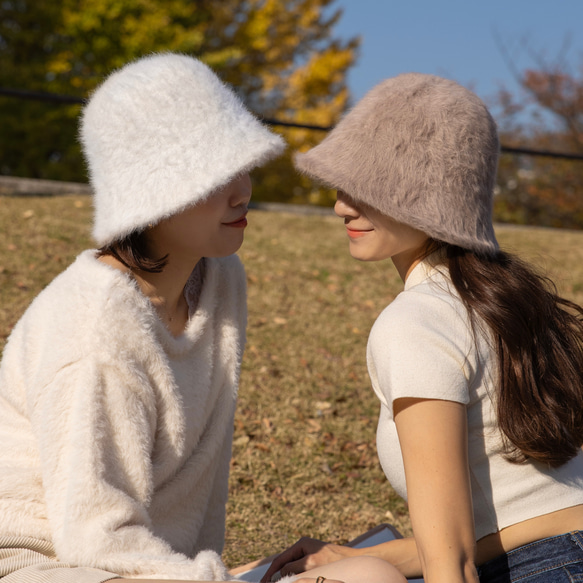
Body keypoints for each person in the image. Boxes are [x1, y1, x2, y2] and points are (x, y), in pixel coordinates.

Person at [262, 73, 583, 583]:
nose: (342, 206)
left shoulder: (416, 321)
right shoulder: (513, 302)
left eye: (372, 188)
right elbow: (520, 521)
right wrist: (360, 556)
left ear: (435, 198)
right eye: (345, 184)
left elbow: (451, 563)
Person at [0, 53, 287, 582]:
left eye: (242, 163)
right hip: (48, 565)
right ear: (151, 193)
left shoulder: (220, 278)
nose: (242, 188)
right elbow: (94, 534)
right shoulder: (95, 331)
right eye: (216, 173)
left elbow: (198, 496)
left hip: (154, 566)